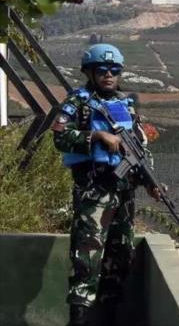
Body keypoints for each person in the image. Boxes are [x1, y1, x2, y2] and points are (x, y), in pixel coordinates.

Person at [52, 43, 161, 326]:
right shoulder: (78, 101)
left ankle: (109, 317)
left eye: (115, 71)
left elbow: (138, 146)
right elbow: (60, 137)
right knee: (86, 260)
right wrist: (97, 137)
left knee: (119, 257)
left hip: (124, 195)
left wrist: (150, 181)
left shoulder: (126, 104)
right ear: (89, 72)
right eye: (102, 70)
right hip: (94, 193)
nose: (109, 75)